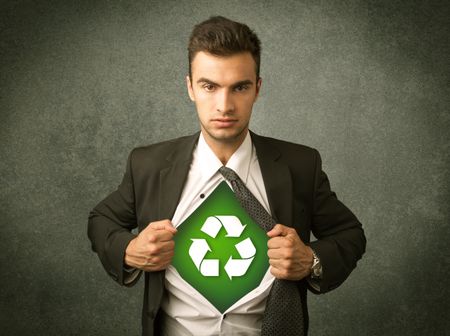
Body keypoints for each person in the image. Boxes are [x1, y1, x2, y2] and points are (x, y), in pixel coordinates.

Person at [88, 16, 366, 336]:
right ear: (190, 87)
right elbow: (101, 220)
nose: (224, 105)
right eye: (209, 86)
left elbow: (350, 234)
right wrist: (128, 249)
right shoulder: (148, 164)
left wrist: (311, 259)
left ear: (257, 88)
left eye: (240, 87)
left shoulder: (300, 165)